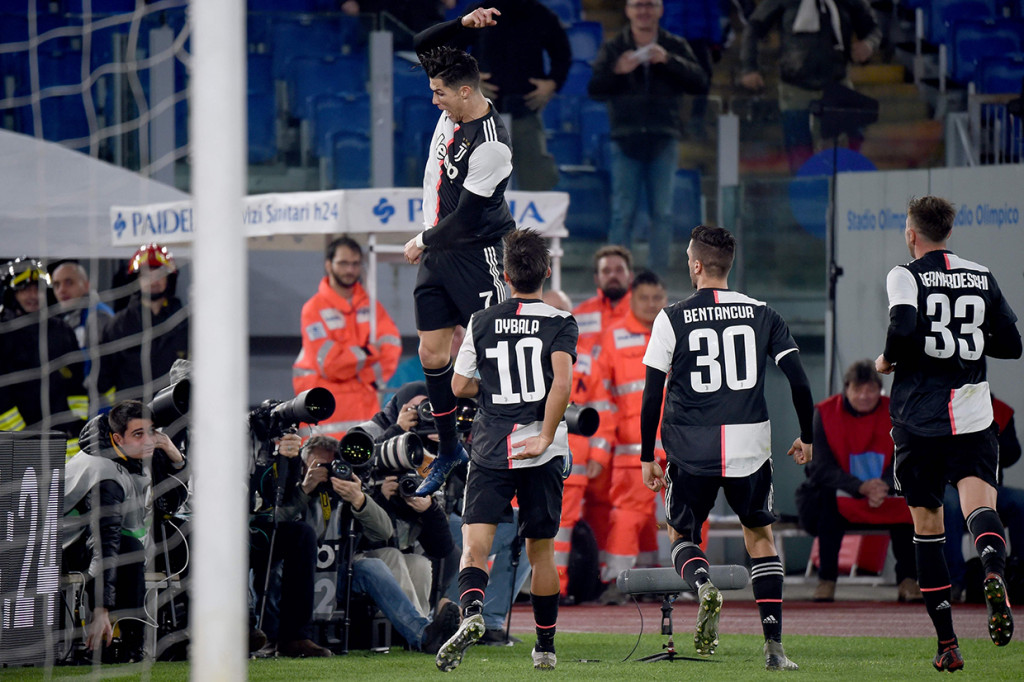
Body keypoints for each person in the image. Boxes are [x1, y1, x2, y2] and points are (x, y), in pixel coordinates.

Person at [640, 224, 814, 671]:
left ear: (696, 265)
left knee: (681, 533)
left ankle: (702, 585)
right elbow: (798, 379)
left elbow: (651, 393)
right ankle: (774, 649)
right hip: (749, 446)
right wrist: (807, 435)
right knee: (759, 537)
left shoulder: (671, 316)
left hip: (690, 449)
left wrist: (646, 456)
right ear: (728, 266)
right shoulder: (763, 313)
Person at [875, 195, 1021, 671]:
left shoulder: (905, 273)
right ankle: (993, 571)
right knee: (981, 508)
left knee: (929, 531)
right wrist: (969, 340)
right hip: (974, 417)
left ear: (912, 233)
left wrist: (888, 359)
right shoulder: (980, 276)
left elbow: (901, 327)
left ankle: (947, 644)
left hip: (919, 420)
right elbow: (1013, 344)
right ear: (950, 233)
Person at [438, 228, 578, 672]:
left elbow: (458, 385)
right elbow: (563, 384)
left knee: (475, 545)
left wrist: (493, 391)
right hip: (542, 446)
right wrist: (544, 433)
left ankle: (474, 613)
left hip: (492, 442)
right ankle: (545, 648)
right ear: (546, 272)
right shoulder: (560, 321)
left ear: (505, 274)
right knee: (541, 551)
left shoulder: (482, 320)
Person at [405, 7, 516, 496]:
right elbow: (422, 40)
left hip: (475, 253)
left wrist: (422, 240)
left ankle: (504, 446)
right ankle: (449, 450)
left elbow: (469, 218)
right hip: (437, 251)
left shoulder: (491, 144)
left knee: (493, 355)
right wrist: (461, 26)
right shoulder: (454, 106)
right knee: (432, 354)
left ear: (466, 92)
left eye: (440, 93)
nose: (434, 101)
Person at [587, 0, 709, 275]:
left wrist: (668, 60)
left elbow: (700, 82)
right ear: (628, 10)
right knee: (622, 214)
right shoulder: (615, 47)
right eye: (637, 5)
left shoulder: (673, 44)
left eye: (650, 5)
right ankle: (615, 276)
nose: (643, 11)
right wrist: (617, 71)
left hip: (663, 137)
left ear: (660, 9)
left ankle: (657, 279)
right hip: (625, 138)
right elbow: (595, 88)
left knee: (663, 214)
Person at [62, 400, 185, 662]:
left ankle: (135, 643)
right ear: (118, 437)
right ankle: (129, 644)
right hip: (59, 548)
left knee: (134, 546)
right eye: (138, 434)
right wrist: (101, 609)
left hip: (96, 541)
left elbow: (170, 504)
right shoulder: (104, 474)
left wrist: (175, 456)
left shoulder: (135, 454)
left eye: (152, 431)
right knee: (129, 549)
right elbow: (105, 544)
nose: (149, 440)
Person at [798, 359, 919, 603]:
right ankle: (827, 580)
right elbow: (819, 467)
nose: (865, 396)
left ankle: (908, 581)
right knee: (826, 506)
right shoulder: (823, 413)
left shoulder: (895, 410)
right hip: (841, 491)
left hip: (885, 491)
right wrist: (859, 486)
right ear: (846, 389)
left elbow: (906, 454)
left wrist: (884, 484)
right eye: (858, 389)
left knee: (909, 505)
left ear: (879, 390)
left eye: (871, 389)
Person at [588, 270, 668, 602]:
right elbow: (602, 398)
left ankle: (678, 582)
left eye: (657, 298)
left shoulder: (678, 331)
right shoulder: (613, 336)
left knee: (687, 516)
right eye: (644, 298)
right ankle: (617, 583)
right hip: (634, 449)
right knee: (628, 515)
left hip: (680, 446)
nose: (651, 305)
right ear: (632, 299)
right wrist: (600, 450)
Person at [739, 0, 880, 173]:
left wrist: (869, 45)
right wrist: (749, 67)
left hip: (836, 83)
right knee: (799, 151)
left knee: (846, 144)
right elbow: (754, 26)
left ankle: (840, 189)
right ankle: (803, 191)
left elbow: (873, 29)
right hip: (795, 86)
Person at [292, 235, 402, 440]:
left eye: (355, 264)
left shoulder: (371, 307)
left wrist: (362, 375)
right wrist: (368, 354)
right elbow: (332, 365)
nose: (350, 270)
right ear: (328, 264)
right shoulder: (313, 309)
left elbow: (391, 348)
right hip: (323, 423)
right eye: (343, 263)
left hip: (364, 417)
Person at [456, 0, 571, 191]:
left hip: (525, 109)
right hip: (481, 114)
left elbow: (562, 55)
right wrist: (468, 80)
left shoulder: (540, 14)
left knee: (536, 184)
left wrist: (552, 83)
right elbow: (451, 51)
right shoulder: (480, 12)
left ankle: (536, 221)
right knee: (478, 185)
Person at [573, 246, 634, 587]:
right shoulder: (579, 315)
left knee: (626, 508)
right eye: (606, 270)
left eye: (619, 269)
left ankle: (629, 580)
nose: (613, 274)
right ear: (596, 278)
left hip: (630, 429)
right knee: (593, 506)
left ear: (629, 275)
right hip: (592, 427)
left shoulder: (643, 317)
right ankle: (595, 578)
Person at [248, 426, 332, 658]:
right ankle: (242, 629)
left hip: (259, 531)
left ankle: (295, 638)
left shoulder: (277, 457)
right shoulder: (228, 445)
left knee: (301, 534)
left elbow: (280, 504)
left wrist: (291, 462)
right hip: (224, 532)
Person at [0, 257, 86, 453]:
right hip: (14, 438)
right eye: (25, 289)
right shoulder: (3, 334)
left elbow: (77, 383)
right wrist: (19, 433)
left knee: (69, 483)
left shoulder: (62, 330)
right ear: (12, 294)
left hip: (64, 435)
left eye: (36, 289)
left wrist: (77, 421)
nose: (32, 295)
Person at [943, 397, 1024, 602]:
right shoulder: (944, 404)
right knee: (949, 504)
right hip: (952, 484)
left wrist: (988, 440)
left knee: (1020, 501)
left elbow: (1013, 454)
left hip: (989, 482)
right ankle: (954, 579)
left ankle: (1018, 575)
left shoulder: (1001, 411)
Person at [97, 243, 188, 405]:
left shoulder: (186, 324)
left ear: (170, 278)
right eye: (147, 274)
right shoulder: (117, 326)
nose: (153, 280)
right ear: (136, 280)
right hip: (132, 422)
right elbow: (102, 381)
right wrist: (121, 411)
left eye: (160, 274)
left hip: (178, 419)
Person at [50, 260, 114, 404]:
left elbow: (102, 370)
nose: (62, 290)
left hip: (101, 404)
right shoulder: (67, 318)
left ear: (86, 285)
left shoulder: (98, 316)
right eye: (56, 285)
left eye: (69, 282)